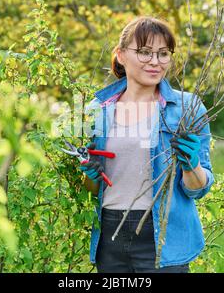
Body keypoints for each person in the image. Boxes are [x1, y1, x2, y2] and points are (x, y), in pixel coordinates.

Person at [80, 16, 214, 273]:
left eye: (163, 54)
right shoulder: (97, 110)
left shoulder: (188, 109)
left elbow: (198, 189)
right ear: (120, 55)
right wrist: (90, 174)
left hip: (163, 236)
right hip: (110, 235)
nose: (155, 62)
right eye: (144, 52)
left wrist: (191, 164)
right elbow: (91, 189)